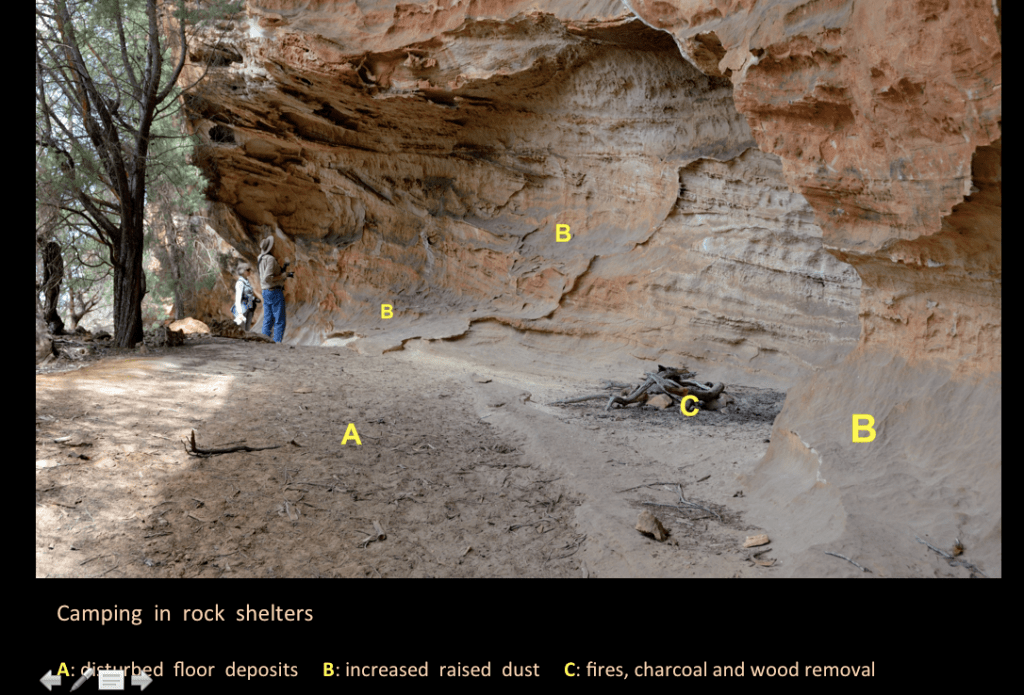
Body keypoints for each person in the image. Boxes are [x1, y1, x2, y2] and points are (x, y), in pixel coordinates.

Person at [257, 235, 294, 343]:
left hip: (265, 291)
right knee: (279, 319)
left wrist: (282, 270)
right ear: (271, 247)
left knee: (268, 319)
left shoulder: (260, 258)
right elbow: (267, 278)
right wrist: (283, 276)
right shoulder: (270, 259)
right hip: (274, 291)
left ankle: (264, 341)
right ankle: (277, 342)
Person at [231, 263, 260, 331]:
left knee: (247, 329)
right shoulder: (240, 283)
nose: (249, 271)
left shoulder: (246, 281)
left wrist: (254, 299)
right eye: (248, 270)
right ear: (242, 271)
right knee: (242, 329)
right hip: (243, 309)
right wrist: (240, 313)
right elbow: (238, 299)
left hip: (249, 308)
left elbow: (248, 294)